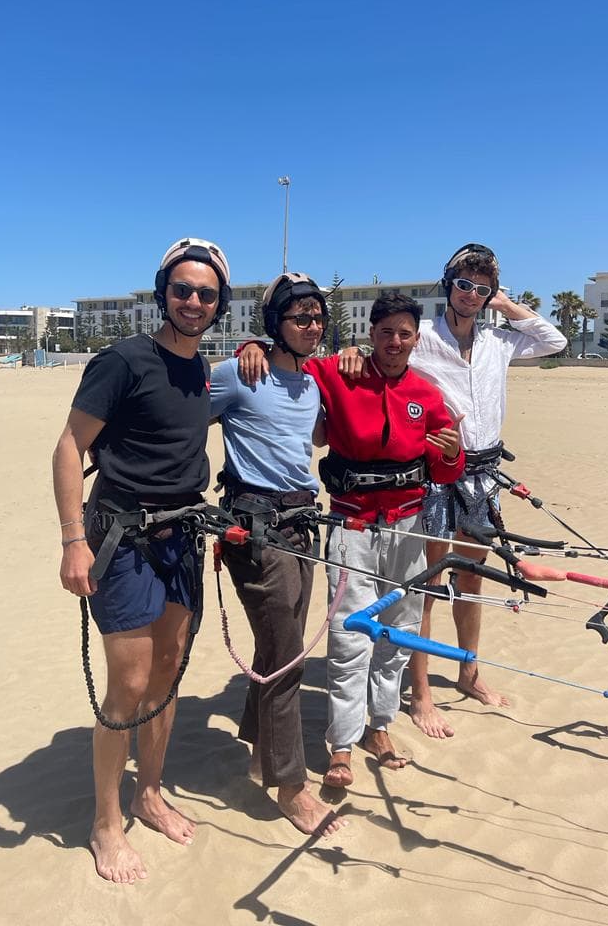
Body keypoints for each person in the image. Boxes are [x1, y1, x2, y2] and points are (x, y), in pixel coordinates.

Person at [53, 238, 231, 884]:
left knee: (168, 672)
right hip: (120, 535)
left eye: (206, 294)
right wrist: (74, 539)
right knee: (127, 682)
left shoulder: (204, 370)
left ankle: (147, 793)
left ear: (219, 303)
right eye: (182, 289)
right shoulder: (123, 360)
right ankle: (105, 823)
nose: (193, 301)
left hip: (183, 534)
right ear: (164, 293)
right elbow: (70, 447)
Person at [238, 292, 464, 786]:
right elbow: (287, 361)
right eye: (386, 332)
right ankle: (341, 743)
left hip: (407, 529)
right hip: (351, 528)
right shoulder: (339, 374)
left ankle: (379, 727)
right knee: (347, 637)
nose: (395, 342)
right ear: (371, 335)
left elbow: (447, 471)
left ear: (416, 338)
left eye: (405, 333)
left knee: (397, 633)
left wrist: (453, 451)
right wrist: (249, 346)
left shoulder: (426, 395)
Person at [341, 244, 566, 738]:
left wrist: (505, 306)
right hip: (438, 474)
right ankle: (420, 692)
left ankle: (469, 674)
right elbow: (380, 353)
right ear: (449, 285)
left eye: (482, 288)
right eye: (464, 285)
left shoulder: (498, 340)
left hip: (485, 475)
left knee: (472, 579)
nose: (471, 295)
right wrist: (354, 355)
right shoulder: (423, 340)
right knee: (428, 583)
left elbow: (555, 341)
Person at [209, 272, 345, 837]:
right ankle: (291, 786)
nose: (311, 327)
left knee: (276, 642)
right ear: (274, 325)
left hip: (300, 525)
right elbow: (175, 408)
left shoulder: (312, 381)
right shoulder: (240, 375)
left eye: (317, 318)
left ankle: (259, 748)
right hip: (254, 528)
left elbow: (315, 439)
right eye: (299, 318)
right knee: (288, 654)